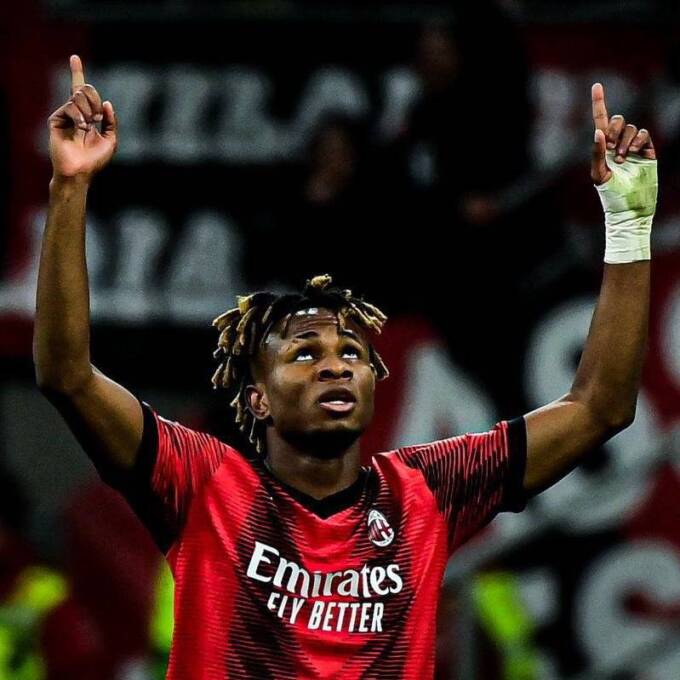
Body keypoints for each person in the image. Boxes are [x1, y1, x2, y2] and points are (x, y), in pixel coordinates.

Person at [33, 55, 657, 679]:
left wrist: (628, 227)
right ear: (258, 397)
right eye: (305, 353)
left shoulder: (427, 492)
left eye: (352, 354)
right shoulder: (204, 484)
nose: (335, 366)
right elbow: (67, 375)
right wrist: (69, 189)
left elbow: (599, 407)